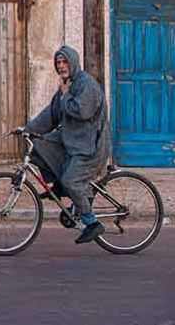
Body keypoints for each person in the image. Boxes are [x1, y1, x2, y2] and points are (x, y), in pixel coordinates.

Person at [25, 45, 110, 245]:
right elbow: (51, 114)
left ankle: (92, 223)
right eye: (58, 63)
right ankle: (59, 185)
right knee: (38, 144)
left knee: (72, 180)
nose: (61, 66)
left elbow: (82, 111)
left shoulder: (85, 85)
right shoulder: (67, 84)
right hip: (73, 142)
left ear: (73, 62)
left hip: (90, 147)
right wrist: (27, 129)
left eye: (64, 62)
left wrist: (66, 95)